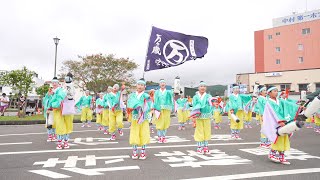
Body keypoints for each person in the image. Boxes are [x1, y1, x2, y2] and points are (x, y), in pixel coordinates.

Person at [265, 86, 300, 165]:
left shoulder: (280, 100)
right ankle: (272, 154)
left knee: (284, 139)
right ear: (269, 93)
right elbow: (272, 113)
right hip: (275, 123)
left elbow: (290, 105)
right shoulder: (268, 102)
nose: (276, 92)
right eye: (274, 91)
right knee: (277, 139)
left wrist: (299, 107)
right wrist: (279, 121)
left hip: (283, 122)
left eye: (277, 91)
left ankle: (282, 157)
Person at [127, 78, 153, 160]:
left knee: (144, 134)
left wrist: (142, 107)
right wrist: (132, 108)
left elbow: (150, 106)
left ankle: (143, 152)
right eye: (139, 84)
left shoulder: (146, 96)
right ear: (136, 86)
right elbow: (129, 105)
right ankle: (134, 152)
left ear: (144, 87)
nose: (140, 86)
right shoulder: (131, 95)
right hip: (135, 118)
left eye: (142, 85)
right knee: (134, 134)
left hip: (144, 117)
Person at [191, 81, 212, 154]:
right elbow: (194, 106)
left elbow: (211, 103)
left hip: (206, 116)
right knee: (199, 131)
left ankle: (205, 146)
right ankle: (199, 147)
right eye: (201, 86)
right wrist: (194, 116)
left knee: (206, 131)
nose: (202, 87)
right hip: (198, 116)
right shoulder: (195, 97)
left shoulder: (209, 96)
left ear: (206, 88)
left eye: (204, 86)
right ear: (198, 88)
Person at [154, 79, 174, 143]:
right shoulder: (157, 92)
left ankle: (164, 137)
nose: (162, 84)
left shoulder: (169, 92)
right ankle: (160, 137)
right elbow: (155, 100)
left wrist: (172, 107)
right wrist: (155, 108)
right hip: (158, 109)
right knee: (159, 123)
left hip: (166, 109)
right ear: (159, 84)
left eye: (164, 83)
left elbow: (171, 100)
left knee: (165, 122)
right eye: (161, 83)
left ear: (165, 84)